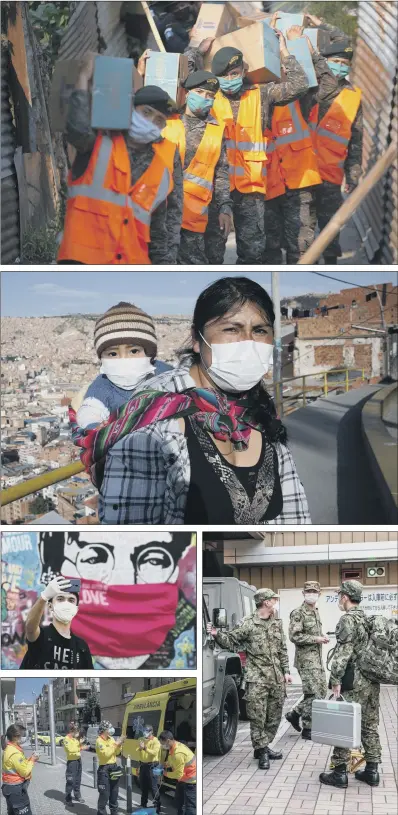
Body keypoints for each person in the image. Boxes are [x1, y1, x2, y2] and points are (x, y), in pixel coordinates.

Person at [77, 277, 310, 524]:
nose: (248, 343)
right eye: (231, 329)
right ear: (197, 340)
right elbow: (132, 533)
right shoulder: (153, 415)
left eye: (260, 330)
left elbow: (295, 514)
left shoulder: (258, 405)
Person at [185, 31, 309, 264]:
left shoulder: (260, 94)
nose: (230, 78)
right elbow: (184, 77)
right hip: (215, 189)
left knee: (253, 252)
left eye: (235, 73)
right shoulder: (209, 96)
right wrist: (196, 51)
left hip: (250, 190)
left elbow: (299, 85)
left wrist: (283, 51)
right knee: (213, 253)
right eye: (224, 75)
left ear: (243, 72)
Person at [57, 53, 183, 265]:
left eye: (159, 120)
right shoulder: (97, 143)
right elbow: (76, 129)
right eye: (146, 112)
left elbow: (160, 234)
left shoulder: (162, 172)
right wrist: (81, 81)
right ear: (130, 110)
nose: (150, 121)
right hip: (82, 262)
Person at [263, 19, 332, 264]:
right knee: (268, 252)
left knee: (301, 250)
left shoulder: (300, 99)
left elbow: (328, 86)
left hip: (299, 185)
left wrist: (307, 53)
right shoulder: (253, 98)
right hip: (266, 188)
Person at [207, 588, 293, 769]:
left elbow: (282, 649)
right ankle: (261, 750)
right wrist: (216, 633)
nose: (275, 602)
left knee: (274, 715)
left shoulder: (277, 622)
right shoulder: (248, 623)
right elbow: (231, 641)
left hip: (277, 678)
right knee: (257, 717)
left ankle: (264, 745)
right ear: (265, 602)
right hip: (257, 678)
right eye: (273, 599)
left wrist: (286, 671)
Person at [159, 69, 232, 264]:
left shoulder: (217, 130)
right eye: (200, 92)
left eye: (210, 96)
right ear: (187, 92)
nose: (205, 98)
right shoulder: (166, 121)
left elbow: (221, 172)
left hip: (193, 216)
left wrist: (225, 208)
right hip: (162, 212)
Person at [319, 581, 381, 789]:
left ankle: (339, 773)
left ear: (345, 597)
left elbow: (343, 654)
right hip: (371, 681)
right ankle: (372, 771)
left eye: (340, 596)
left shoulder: (347, 620)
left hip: (353, 681)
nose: (339, 599)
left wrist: (335, 679)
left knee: (344, 725)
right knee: (369, 725)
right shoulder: (367, 618)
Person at [74, 301, 171, 430]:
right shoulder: (104, 384)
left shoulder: (164, 373)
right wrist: (96, 427)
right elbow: (90, 410)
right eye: (113, 354)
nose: (124, 359)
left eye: (134, 351)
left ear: (149, 354)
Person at [310, 37, 363, 263]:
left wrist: (353, 174)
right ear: (325, 61)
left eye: (344, 62)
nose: (340, 66)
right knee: (302, 230)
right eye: (336, 61)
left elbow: (356, 140)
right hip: (302, 171)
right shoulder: (312, 87)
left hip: (331, 176)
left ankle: (330, 262)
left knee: (330, 228)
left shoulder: (353, 97)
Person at [285, 581, 329, 739]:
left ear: (319, 593)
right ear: (303, 593)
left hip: (316, 659)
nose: (311, 594)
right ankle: (307, 728)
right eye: (308, 591)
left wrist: (321, 637)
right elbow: (294, 636)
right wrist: (316, 638)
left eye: (314, 591)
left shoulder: (315, 612)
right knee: (314, 694)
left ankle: (295, 713)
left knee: (320, 691)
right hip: (306, 661)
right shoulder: (298, 612)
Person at [22, 575, 93, 670]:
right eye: (60, 599)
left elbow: (88, 681)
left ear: (76, 608)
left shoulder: (81, 647)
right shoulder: (42, 636)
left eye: (71, 600)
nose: (66, 603)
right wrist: (44, 597)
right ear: (50, 606)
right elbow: (30, 628)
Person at [1, 723, 39, 815]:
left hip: (9, 787)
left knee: (12, 812)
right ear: (16, 737)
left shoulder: (9, 748)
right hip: (16, 789)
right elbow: (25, 772)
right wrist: (33, 760)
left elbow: (21, 765)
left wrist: (30, 758)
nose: (23, 737)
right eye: (22, 735)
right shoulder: (14, 753)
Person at [159, 730, 196, 815]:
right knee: (179, 802)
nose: (162, 746)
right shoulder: (174, 746)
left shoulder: (178, 753)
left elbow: (178, 774)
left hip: (191, 781)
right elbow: (173, 761)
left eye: (162, 743)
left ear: (168, 741)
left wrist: (164, 773)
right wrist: (166, 765)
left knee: (190, 807)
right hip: (183, 779)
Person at [95, 721, 126, 815]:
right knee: (104, 794)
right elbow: (106, 755)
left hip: (113, 767)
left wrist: (119, 745)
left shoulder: (111, 739)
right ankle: (101, 812)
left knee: (114, 793)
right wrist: (116, 743)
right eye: (110, 727)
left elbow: (116, 753)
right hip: (104, 769)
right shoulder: (99, 741)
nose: (112, 729)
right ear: (104, 730)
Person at [64, 721, 89, 806]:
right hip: (72, 762)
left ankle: (77, 795)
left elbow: (77, 747)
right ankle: (68, 799)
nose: (78, 733)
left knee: (78, 780)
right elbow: (71, 749)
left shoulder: (75, 738)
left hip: (78, 760)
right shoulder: (66, 739)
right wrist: (81, 748)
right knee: (70, 781)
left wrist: (82, 744)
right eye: (77, 732)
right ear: (72, 731)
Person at [138, 724, 161, 812]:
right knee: (143, 786)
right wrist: (140, 749)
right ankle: (143, 804)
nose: (145, 733)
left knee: (153, 787)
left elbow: (154, 753)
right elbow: (139, 751)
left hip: (152, 766)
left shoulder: (156, 741)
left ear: (151, 732)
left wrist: (145, 748)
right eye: (144, 731)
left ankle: (157, 807)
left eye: (147, 731)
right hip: (143, 765)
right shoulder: (142, 739)